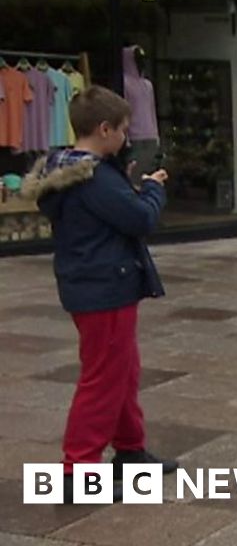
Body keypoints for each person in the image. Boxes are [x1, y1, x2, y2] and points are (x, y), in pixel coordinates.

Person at [20, 85, 176, 504]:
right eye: (123, 130)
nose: (127, 138)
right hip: (104, 288)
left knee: (122, 370)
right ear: (105, 129)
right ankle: (78, 471)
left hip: (94, 284)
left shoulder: (71, 170)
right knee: (103, 379)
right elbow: (140, 218)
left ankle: (130, 450)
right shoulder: (94, 177)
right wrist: (153, 188)